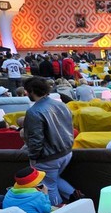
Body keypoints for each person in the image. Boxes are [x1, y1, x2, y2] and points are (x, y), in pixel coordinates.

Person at [23, 76, 80, 205]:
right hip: (66, 152)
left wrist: (33, 157)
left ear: (32, 91)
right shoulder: (61, 105)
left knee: (49, 186)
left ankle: (58, 212)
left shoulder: (34, 112)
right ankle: (76, 197)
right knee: (53, 180)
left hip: (48, 158)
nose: (26, 93)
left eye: (27, 91)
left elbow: (35, 139)